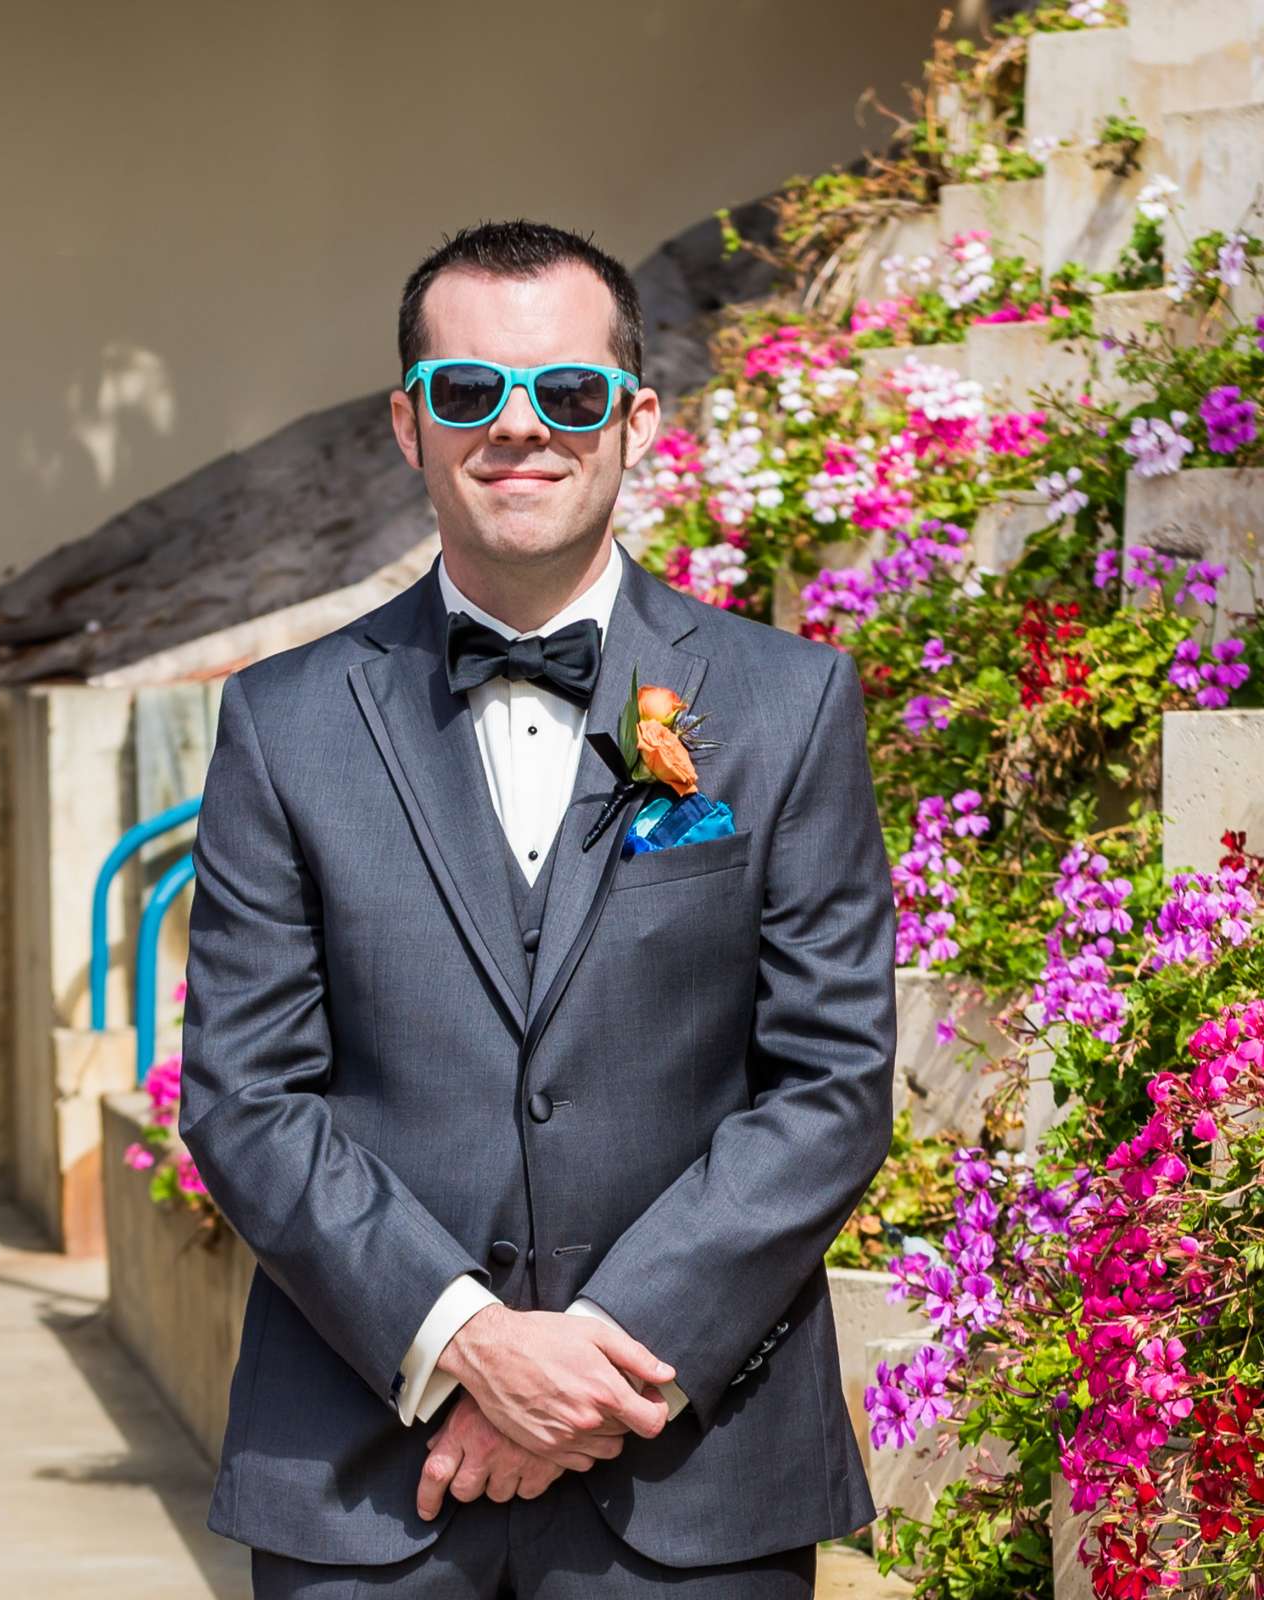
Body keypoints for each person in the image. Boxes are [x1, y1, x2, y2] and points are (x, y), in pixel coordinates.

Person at [178, 221, 896, 1597]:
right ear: (407, 424)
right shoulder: (280, 723)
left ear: (636, 419)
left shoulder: (789, 705)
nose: (520, 428)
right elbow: (247, 1095)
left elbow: (831, 1082)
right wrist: (465, 1341)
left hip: (692, 1472)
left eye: (567, 392)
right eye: (468, 393)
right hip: (366, 1479)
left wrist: (594, 1362)